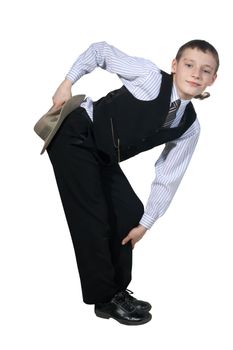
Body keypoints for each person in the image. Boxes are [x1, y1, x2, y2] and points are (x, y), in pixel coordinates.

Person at [46, 40, 219, 325]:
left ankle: (116, 290)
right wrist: (67, 82)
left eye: (205, 70)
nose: (196, 74)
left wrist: (146, 223)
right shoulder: (150, 77)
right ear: (175, 66)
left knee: (129, 213)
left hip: (102, 155)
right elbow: (101, 51)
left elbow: (168, 176)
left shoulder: (189, 126)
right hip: (75, 135)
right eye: (189, 65)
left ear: (213, 79)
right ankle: (104, 298)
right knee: (93, 217)